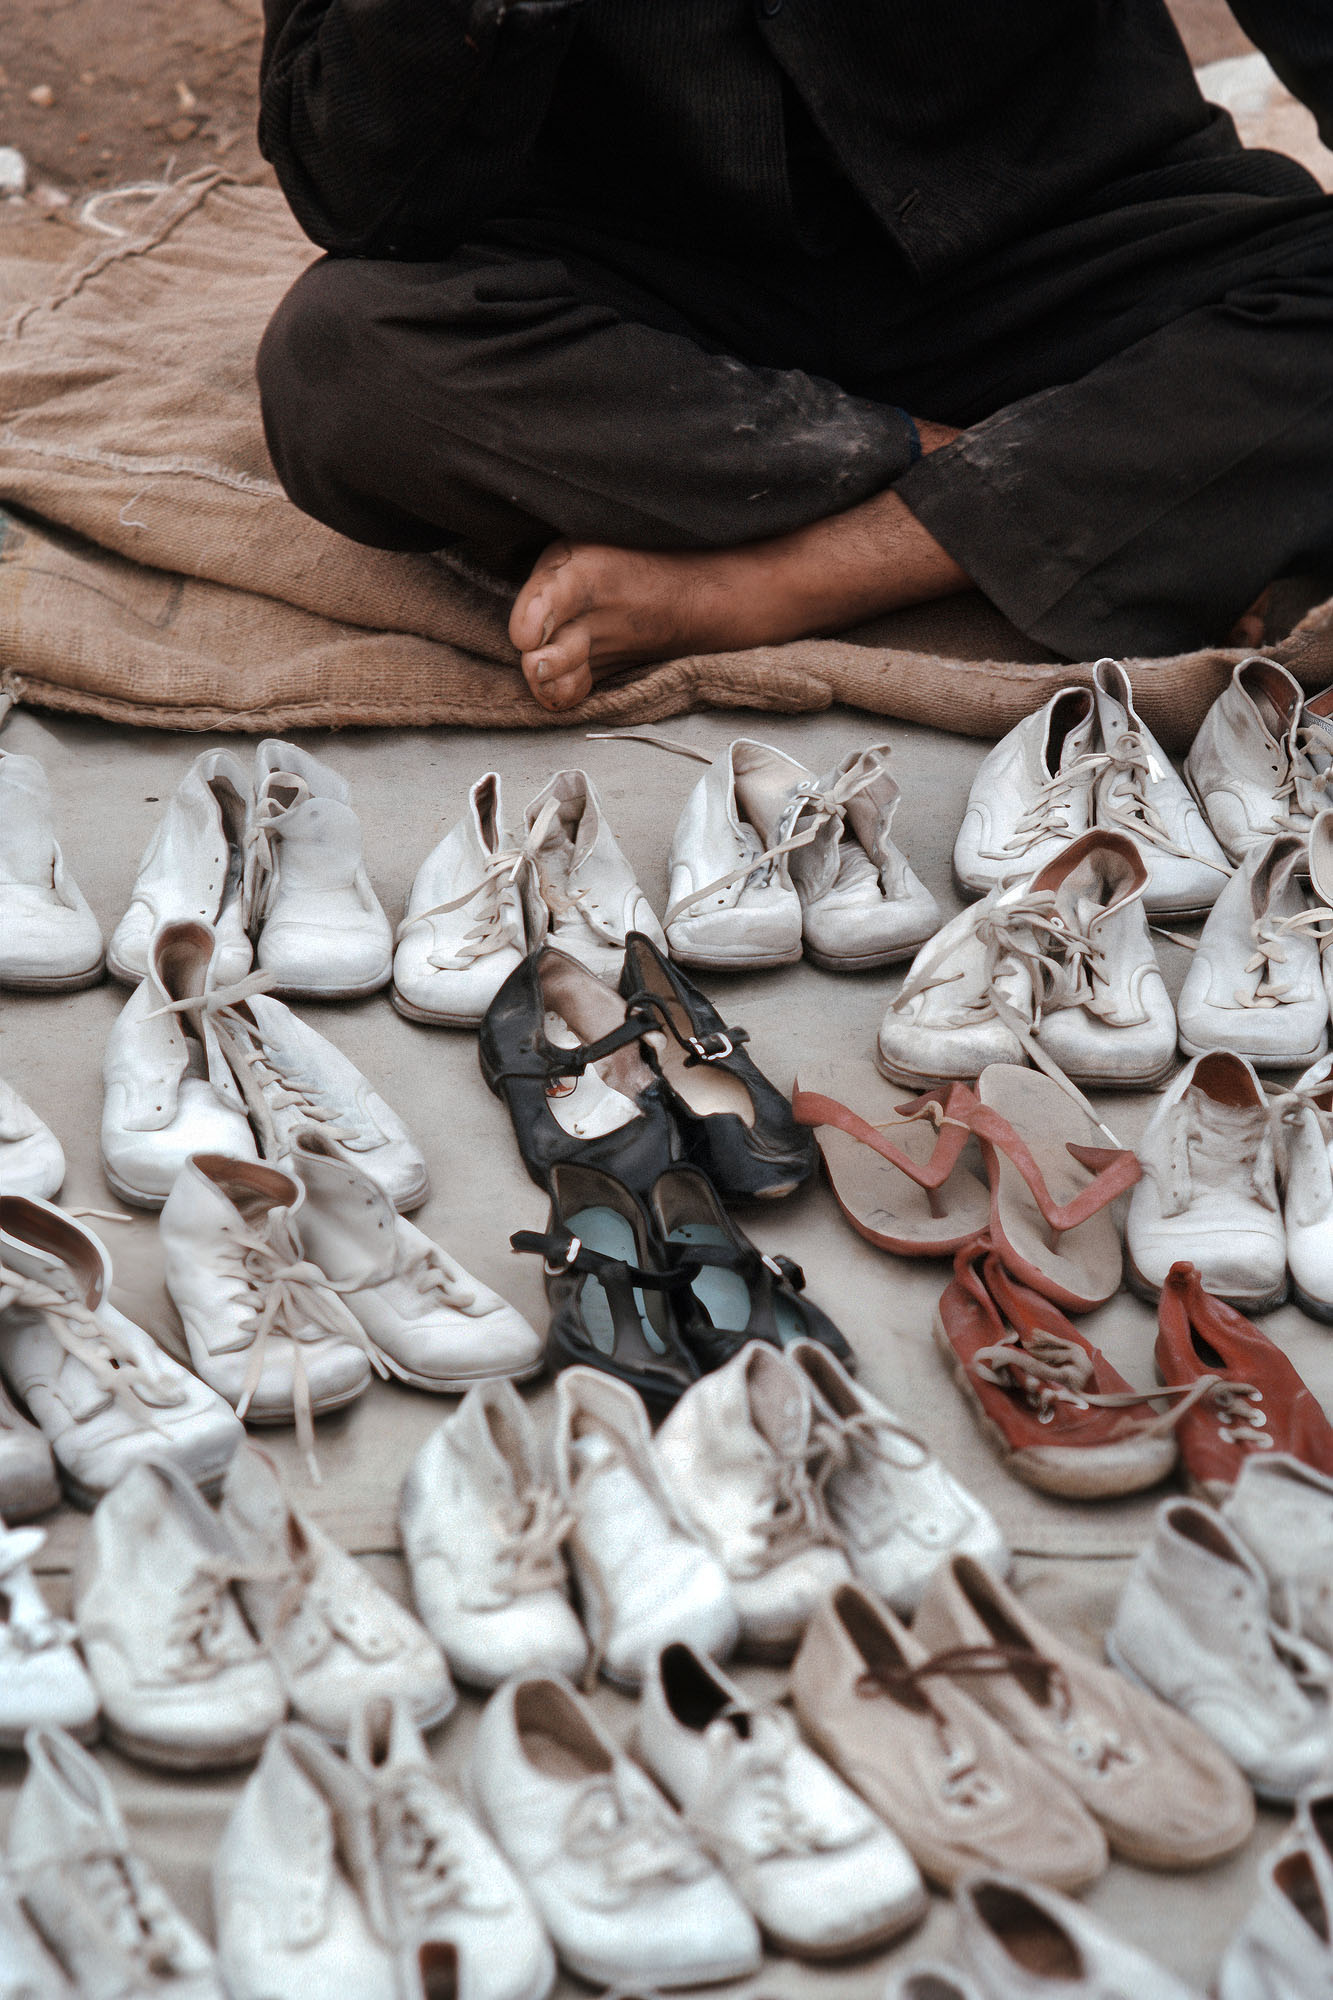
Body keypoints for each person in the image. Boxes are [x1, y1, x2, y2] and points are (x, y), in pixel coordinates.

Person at [255, 0, 1333, 712]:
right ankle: (1071, 505)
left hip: (1068, 232)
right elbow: (355, 195)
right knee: (342, 364)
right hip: (652, 310)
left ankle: (780, 582)